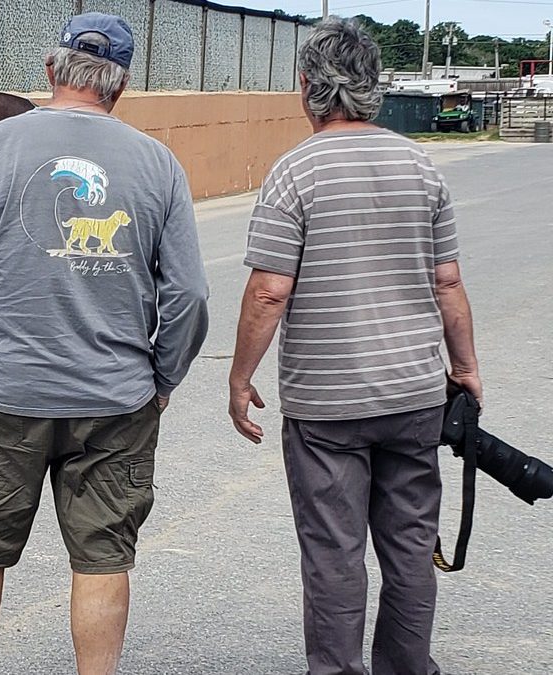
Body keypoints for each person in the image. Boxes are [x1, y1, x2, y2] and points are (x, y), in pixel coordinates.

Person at [0, 13, 209, 675]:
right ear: (121, 85)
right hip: (115, 400)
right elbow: (189, 296)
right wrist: (161, 379)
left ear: (52, 70)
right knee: (103, 556)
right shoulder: (158, 165)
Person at [227, 19, 482, 675]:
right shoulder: (422, 166)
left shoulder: (294, 171)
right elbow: (447, 280)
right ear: (373, 87)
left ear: (306, 85)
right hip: (415, 395)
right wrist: (465, 367)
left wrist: (240, 377)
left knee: (334, 551)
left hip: (326, 408)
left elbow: (268, 292)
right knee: (409, 543)